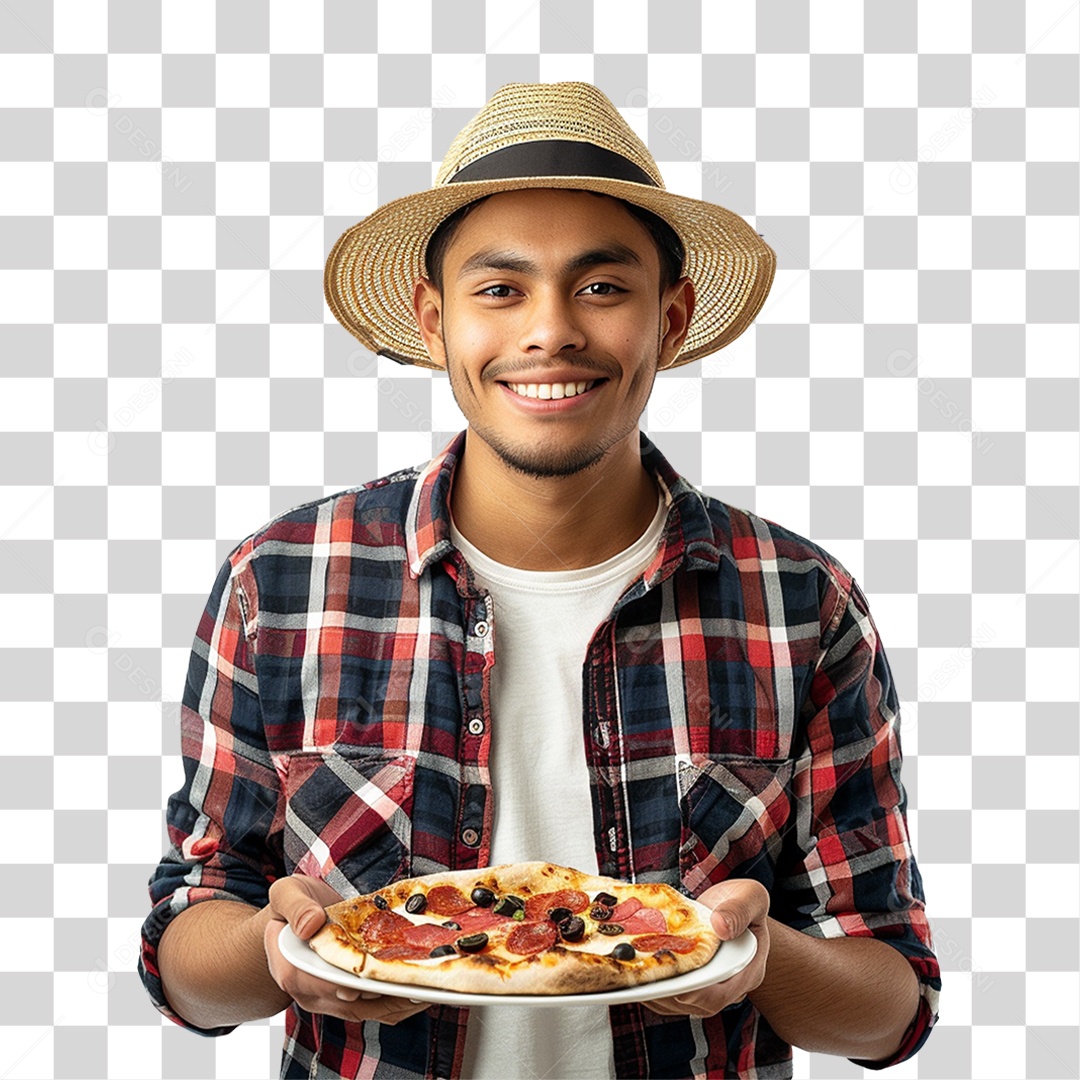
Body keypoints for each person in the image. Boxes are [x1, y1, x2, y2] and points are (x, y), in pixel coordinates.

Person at [139, 82, 940, 1079]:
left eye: (603, 288)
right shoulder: (284, 582)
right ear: (434, 322)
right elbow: (183, 960)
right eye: (501, 289)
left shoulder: (798, 602)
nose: (552, 331)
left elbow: (890, 1008)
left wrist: (752, 956)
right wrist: (275, 950)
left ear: (673, 319)